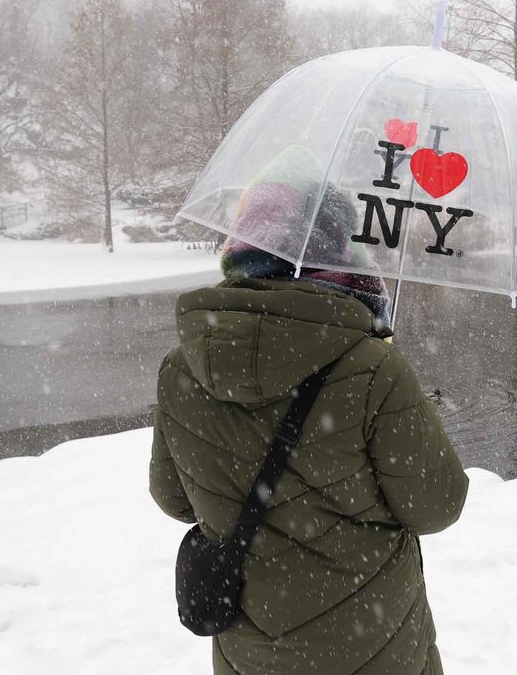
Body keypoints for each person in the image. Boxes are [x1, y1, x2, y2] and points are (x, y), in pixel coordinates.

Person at [150, 146, 469, 675]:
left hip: (251, 645)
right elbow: (436, 505)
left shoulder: (183, 367)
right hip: (372, 642)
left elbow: (175, 500)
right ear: (337, 247)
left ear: (244, 241)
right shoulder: (371, 367)